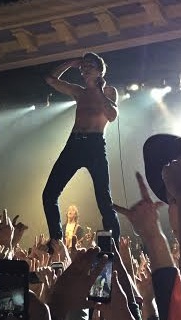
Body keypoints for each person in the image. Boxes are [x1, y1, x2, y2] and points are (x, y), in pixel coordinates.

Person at [43, 52, 120, 245]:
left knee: (104, 199)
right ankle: (56, 241)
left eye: (89, 66)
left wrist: (99, 91)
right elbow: (50, 79)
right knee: (49, 194)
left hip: (94, 145)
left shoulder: (109, 91)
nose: (85, 69)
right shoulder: (79, 91)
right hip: (74, 144)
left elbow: (111, 115)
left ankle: (114, 246)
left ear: (100, 70)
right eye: (83, 66)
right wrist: (71, 62)